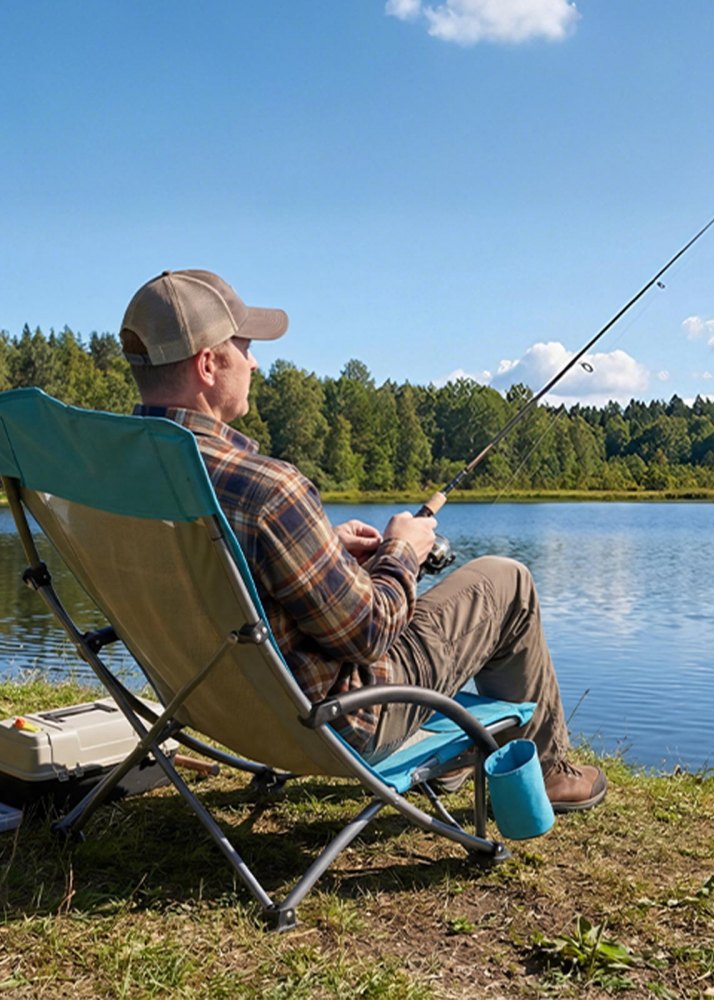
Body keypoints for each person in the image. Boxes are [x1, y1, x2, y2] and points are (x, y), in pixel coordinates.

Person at [120, 268, 607, 812]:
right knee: (506, 581)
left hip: (210, 705)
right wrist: (404, 548)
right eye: (245, 347)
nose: (255, 363)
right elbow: (369, 634)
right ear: (209, 364)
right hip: (338, 721)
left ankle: (451, 760)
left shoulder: (115, 474)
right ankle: (547, 772)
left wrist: (318, 543)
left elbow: (203, 563)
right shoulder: (266, 488)